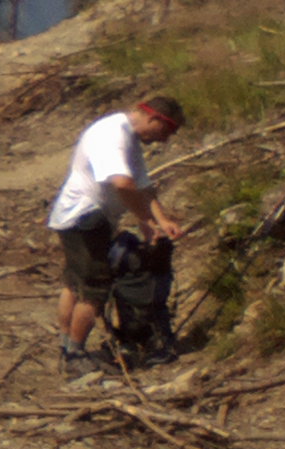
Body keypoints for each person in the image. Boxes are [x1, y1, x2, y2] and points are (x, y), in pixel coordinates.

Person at [46, 94, 186, 374]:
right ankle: (74, 355)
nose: (164, 140)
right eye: (166, 131)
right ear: (154, 118)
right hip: (85, 217)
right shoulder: (112, 134)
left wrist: (160, 220)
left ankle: (66, 346)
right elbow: (122, 183)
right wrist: (145, 220)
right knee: (94, 290)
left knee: (74, 284)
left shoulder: (129, 138)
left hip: (80, 216)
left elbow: (142, 186)